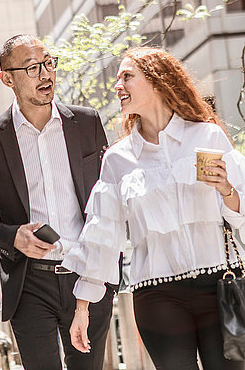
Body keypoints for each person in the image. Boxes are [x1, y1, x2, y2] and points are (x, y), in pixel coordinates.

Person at [65, 46, 245, 370]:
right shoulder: (118, 159)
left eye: (127, 77)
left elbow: (240, 211)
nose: (117, 86)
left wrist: (226, 189)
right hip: (157, 295)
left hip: (219, 286)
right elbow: (102, 236)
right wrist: (82, 307)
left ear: (158, 81)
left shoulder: (207, 136)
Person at [0, 34, 117, 370]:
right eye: (32, 67)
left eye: (49, 63)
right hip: (29, 282)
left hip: (86, 274)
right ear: (7, 78)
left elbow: (108, 200)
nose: (45, 74)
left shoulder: (86, 122)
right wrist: (12, 237)